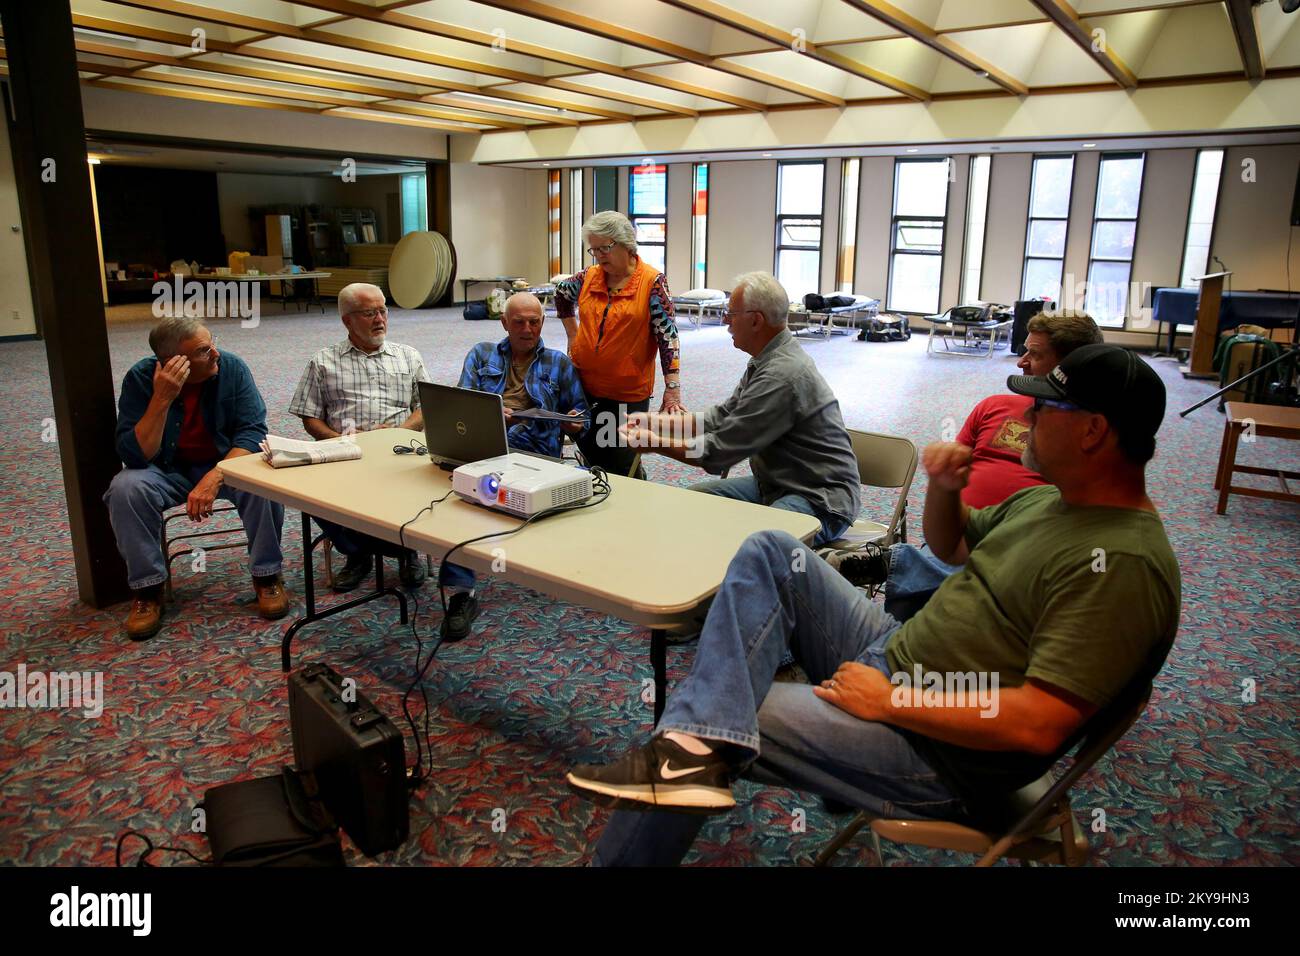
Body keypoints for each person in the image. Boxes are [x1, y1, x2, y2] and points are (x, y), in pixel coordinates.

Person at [566, 344, 1181, 866]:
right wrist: (944, 489)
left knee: (705, 719)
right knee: (773, 551)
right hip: (894, 651)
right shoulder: (1051, 501)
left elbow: (1036, 723)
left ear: (1093, 430)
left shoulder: (1121, 566)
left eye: (1046, 406)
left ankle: (686, 755)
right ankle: (696, 747)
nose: (1028, 413)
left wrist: (892, 702)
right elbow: (953, 543)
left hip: (938, 751)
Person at [836, 311, 1104, 621]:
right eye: (1025, 350)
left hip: (1018, 549)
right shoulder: (994, 405)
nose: (1021, 361)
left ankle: (891, 567)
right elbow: (953, 475)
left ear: (1068, 367)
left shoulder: (1080, 431)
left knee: (957, 579)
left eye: (1035, 354)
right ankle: (899, 576)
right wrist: (944, 479)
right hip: (958, 533)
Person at [619, 271, 860, 548]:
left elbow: (717, 453)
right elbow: (721, 417)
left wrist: (655, 444)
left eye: (730, 314)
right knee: (693, 502)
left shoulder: (780, 375)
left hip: (819, 498)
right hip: (776, 483)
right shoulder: (767, 359)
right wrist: (655, 423)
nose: (725, 320)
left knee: (758, 543)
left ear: (756, 320)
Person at [105, 318, 288, 640]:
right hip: (165, 469)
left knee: (263, 482)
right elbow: (135, 455)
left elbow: (252, 432)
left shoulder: (233, 368)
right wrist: (162, 397)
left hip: (223, 462)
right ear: (172, 363)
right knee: (125, 488)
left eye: (212, 342)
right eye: (204, 351)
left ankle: (267, 575)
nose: (215, 353)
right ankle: (148, 591)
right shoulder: (141, 378)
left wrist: (216, 475)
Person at [444, 292, 588, 639]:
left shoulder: (559, 363)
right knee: (454, 506)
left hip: (537, 455)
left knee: (578, 488)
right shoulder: (480, 355)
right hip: (486, 448)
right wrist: (494, 418)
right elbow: (462, 407)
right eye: (519, 322)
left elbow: (582, 413)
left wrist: (573, 422)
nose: (528, 329)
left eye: (535, 321)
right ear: (505, 323)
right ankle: (462, 594)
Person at [288, 282, 430, 593]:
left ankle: (406, 550)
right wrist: (340, 441)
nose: (380, 319)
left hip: (399, 449)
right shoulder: (323, 361)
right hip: (344, 452)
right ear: (347, 320)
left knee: (427, 485)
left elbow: (428, 407)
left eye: (383, 311)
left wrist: (400, 432)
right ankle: (359, 552)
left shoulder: (407, 356)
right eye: (369, 313)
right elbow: (309, 416)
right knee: (303, 491)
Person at [554, 210, 682, 478]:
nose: (600, 255)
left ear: (626, 244)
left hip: (625, 393)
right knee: (593, 454)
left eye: (605, 248)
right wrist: (572, 334)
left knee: (621, 463)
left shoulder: (652, 282)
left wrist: (672, 387)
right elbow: (561, 294)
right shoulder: (588, 276)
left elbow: (667, 335)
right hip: (583, 386)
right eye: (594, 250)